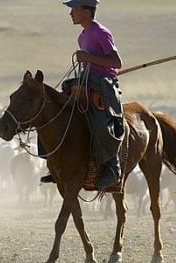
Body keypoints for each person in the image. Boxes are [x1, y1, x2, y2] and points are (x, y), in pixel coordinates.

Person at [40, 0, 124, 190]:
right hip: (85, 81)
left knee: (101, 124)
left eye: (73, 10)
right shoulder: (82, 36)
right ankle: (55, 163)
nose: (70, 14)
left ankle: (113, 168)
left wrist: (88, 58)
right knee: (51, 110)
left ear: (86, 11)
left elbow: (116, 62)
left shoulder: (101, 33)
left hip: (103, 84)